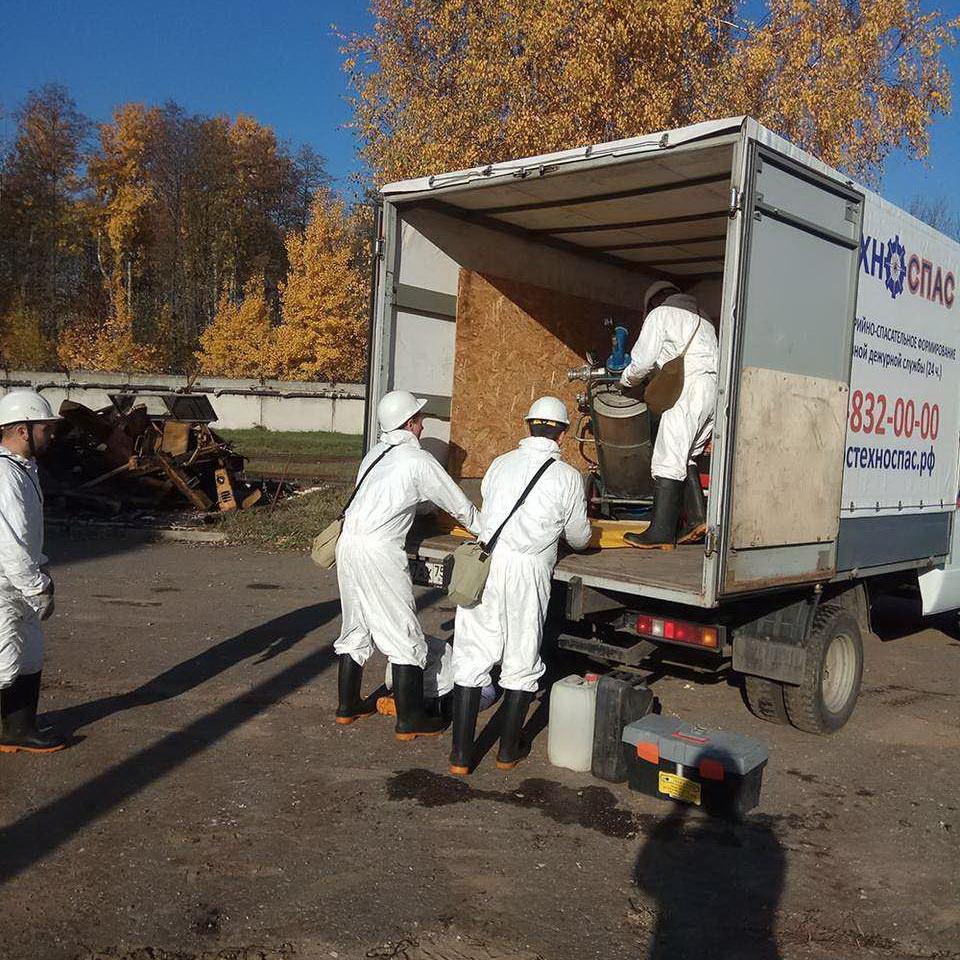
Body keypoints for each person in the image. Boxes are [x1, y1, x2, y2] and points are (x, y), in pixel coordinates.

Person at [449, 397, 591, 775]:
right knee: (522, 655)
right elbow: (579, 537)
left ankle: (460, 757)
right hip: (529, 571)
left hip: (488, 563)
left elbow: (490, 508)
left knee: (472, 655)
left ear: (529, 426)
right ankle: (508, 752)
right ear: (562, 433)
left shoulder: (500, 463)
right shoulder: (568, 477)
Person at [334, 389, 479, 741]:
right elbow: (460, 507)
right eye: (420, 419)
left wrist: (425, 508)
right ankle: (411, 719)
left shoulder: (374, 455)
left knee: (356, 625)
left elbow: (404, 498)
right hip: (379, 552)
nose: (423, 425)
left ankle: (348, 706)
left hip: (348, 544)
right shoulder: (419, 460)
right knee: (403, 633)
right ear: (410, 423)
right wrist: (491, 532)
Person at [620, 281, 718, 549]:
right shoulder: (705, 323)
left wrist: (625, 381)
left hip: (687, 390)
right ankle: (697, 519)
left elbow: (642, 362)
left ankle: (661, 532)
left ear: (654, 302)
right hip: (712, 393)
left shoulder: (661, 314)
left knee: (668, 456)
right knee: (687, 455)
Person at [0, 391, 62, 754]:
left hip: (20, 584)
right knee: (4, 663)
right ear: (23, 430)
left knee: (29, 655)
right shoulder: (4, 475)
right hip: (6, 586)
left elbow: (29, 534)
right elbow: (9, 541)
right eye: (45, 428)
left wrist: (41, 569)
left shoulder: (24, 468)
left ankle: (19, 730)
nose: (50, 435)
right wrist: (35, 586)